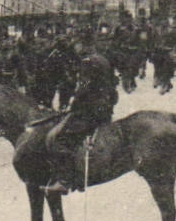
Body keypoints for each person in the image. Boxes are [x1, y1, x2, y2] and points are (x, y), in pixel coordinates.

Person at [40, 36, 118, 196]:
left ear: (82, 44)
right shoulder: (103, 59)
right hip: (105, 108)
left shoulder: (87, 62)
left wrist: (72, 105)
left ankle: (65, 180)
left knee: (59, 137)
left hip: (90, 111)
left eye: (75, 44)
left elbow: (83, 89)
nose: (75, 48)